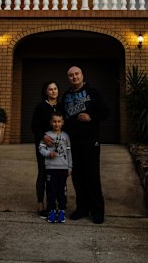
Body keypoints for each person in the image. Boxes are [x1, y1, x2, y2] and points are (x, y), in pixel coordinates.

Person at [61, 66, 109, 224]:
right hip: (73, 143)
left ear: (82, 75)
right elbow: (63, 118)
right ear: (68, 78)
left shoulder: (93, 92)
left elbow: (105, 112)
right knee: (78, 177)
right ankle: (82, 208)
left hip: (90, 141)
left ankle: (97, 211)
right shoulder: (66, 96)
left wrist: (90, 117)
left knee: (92, 176)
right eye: (71, 75)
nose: (74, 77)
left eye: (76, 74)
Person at [30, 81, 61, 218]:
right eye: (50, 89)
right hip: (43, 146)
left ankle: (53, 204)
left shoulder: (61, 107)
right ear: (46, 92)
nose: (53, 91)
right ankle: (40, 203)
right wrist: (44, 137)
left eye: (55, 89)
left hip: (57, 147)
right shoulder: (41, 107)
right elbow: (34, 126)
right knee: (43, 173)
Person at [38, 112, 72, 223]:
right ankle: (51, 211)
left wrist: (70, 167)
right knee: (51, 190)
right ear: (51, 123)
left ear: (62, 123)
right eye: (54, 121)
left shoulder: (66, 136)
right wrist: (48, 154)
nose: (56, 124)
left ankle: (61, 211)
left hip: (63, 168)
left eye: (59, 121)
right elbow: (41, 149)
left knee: (61, 190)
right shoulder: (47, 135)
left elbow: (69, 152)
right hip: (51, 168)